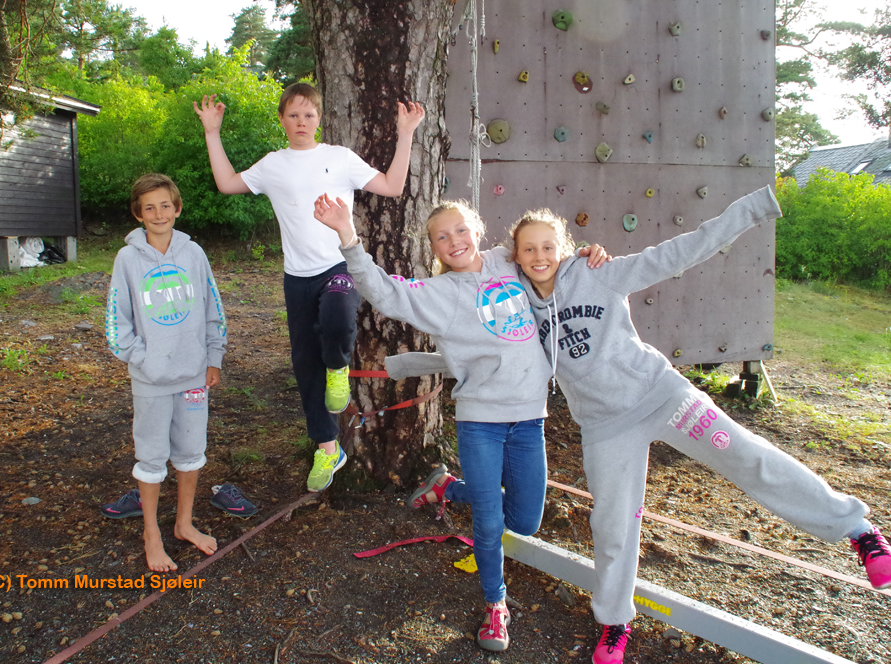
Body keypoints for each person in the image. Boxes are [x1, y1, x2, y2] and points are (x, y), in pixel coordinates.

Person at [500, 186, 890, 664]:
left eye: (548, 246)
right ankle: (615, 622)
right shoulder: (514, 304)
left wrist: (752, 208)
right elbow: (480, 303)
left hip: (661, 395)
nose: (540, 256)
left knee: (747, 455)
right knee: (612, 523)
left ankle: (858, 530)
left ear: (564, 247)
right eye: (528, 249)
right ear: (516, 256)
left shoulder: (599, 273)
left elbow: (677, 254)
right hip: (605, 426)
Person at [312, 193, 607, 652]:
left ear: (477, 231)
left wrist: (584, 255)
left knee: (525, 520)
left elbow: (546, 258)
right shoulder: (439, 294)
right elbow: (382, 290)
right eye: (442, 237)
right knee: (489, 523)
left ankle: (447, 487)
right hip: (481, 423)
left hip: (529, 420)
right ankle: (496, 605)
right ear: (433, 247)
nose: (455, 241)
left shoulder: (506, 261)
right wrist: (347, 234)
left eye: (461, 230)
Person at [194, 83, 424, 492]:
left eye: (309, 115)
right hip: (296, 277)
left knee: (336, 318)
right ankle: (327, 448)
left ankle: (338, 368)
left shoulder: (339, 158)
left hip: (340, 263)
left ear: (319, 119)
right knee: (303, 363)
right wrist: (212, 132)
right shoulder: (273, 164)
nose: (301, 122)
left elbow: (391, 185)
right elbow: (227, 183)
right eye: (293, 115)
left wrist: (405, 133)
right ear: (282, 120)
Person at [104, 173, 228, 573]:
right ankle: (152, 534)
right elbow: (116, 323)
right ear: (138, 214)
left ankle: (184, 524)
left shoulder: (194, 254)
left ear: (177, 209)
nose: (158, 214)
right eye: (149, 208)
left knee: (191, 451)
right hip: (151, 380)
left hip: (193, 376)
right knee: (152, 456)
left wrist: (213, 357)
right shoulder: (127, 260)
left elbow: (213, 307)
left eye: (165, 206)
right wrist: (144, 359)